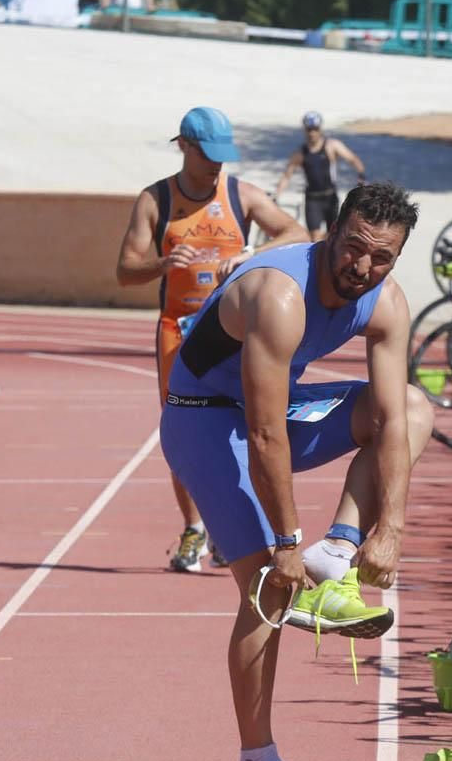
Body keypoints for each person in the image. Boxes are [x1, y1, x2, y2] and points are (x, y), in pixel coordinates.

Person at [160, 181, 434, 761]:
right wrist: (285, 542)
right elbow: (262, 435)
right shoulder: (280, 294)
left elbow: (390, 421)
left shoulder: (386, 302)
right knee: (268, 589)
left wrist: (386, 531)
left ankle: (334, 552)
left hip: (271, 412)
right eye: (354, 248)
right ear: (330, 234)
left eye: (382, 256)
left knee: (414, 410)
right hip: (204, 419)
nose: (363, 266)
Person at [114, 107, 308, 573]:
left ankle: (229, 528)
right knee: (184, 431)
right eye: (208, 155)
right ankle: (194, 529)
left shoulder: (240, 194)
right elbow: (124, 271)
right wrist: (161, 264)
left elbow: (296, 232)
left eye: (224, 156)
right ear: (184, 146)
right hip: (177, 328)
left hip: (233, 332)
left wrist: (250, 256)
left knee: (246, 425)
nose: (217, 165)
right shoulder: (155, 199)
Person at [274, 112, 367, 242]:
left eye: (315, 129)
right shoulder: (300, 153)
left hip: (330, 197)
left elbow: (352, 159)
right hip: (312, 199)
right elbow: (287, 175)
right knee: (314, 238)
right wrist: (276, 195)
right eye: (309, 129)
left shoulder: (331, 146)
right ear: (305, 130)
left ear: (320, 129)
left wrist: (361, 176)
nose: (312, 133)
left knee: (333, 236)